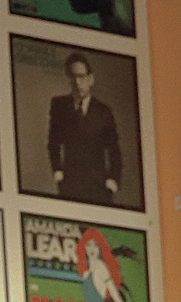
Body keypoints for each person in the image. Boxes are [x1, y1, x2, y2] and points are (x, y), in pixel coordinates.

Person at [45, 52, 124, 205]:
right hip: (70, 183)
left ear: (90, 79)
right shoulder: (59, 105)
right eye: (73, 77)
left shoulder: (104, 111)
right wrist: (58, 172)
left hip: (98, 185)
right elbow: (53, 141)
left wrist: (113, 180)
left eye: (81, 77)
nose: (77, 82)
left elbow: (114, 149)